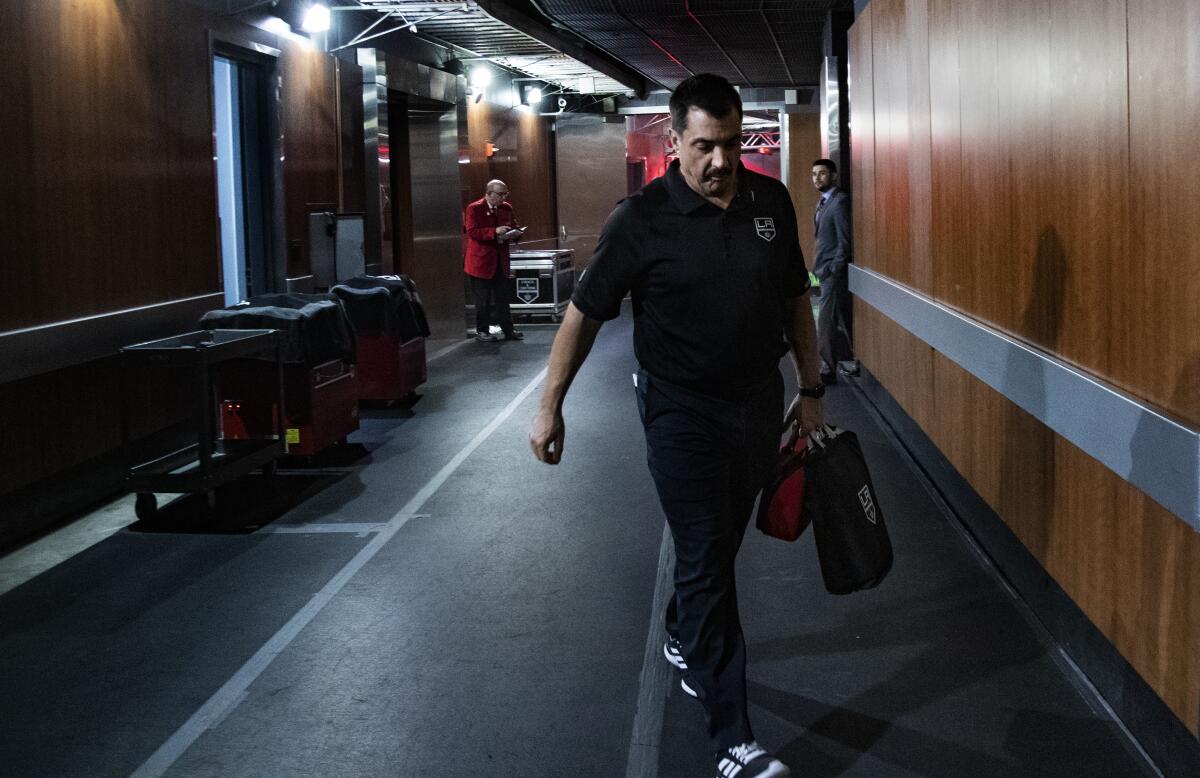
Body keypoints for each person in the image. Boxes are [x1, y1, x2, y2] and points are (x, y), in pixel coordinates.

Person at [530, 74, 825, 778]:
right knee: (701, 548)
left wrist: (811, 388)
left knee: (718, 545)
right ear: (674, 140)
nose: (721, 161)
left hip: (755, 403)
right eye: (704, 147)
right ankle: (733, 739)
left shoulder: (771, 203)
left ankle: (679, 627)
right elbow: (585, 313)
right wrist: (550, 404)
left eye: (730, 144)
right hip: (679, 412)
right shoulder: (642, 220)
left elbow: (795, 301)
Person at [811, 158, 855, 383]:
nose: (817, 178)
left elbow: (844, 241)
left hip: (832, 273)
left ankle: (827, 369)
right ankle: (848, 358)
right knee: (838, 318)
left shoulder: (839, 202)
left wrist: (833, 269)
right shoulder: (823, 203)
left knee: (826, 321)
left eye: (822, 173)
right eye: (814, 174)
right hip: (823, 271)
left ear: (834, 176)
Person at [464, 179, 524, 342]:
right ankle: (482, 331)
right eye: (500, 194)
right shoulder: (474, 208)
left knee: (503, 298)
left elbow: (514, 225)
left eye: (506, 194)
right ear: (489, 193)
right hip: (480, 263)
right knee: (482, 300)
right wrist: (494, 231)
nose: (503, 198)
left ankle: (508, 329)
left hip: (500, 261)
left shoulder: (506, 208)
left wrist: (516, 233)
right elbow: (473, 232)